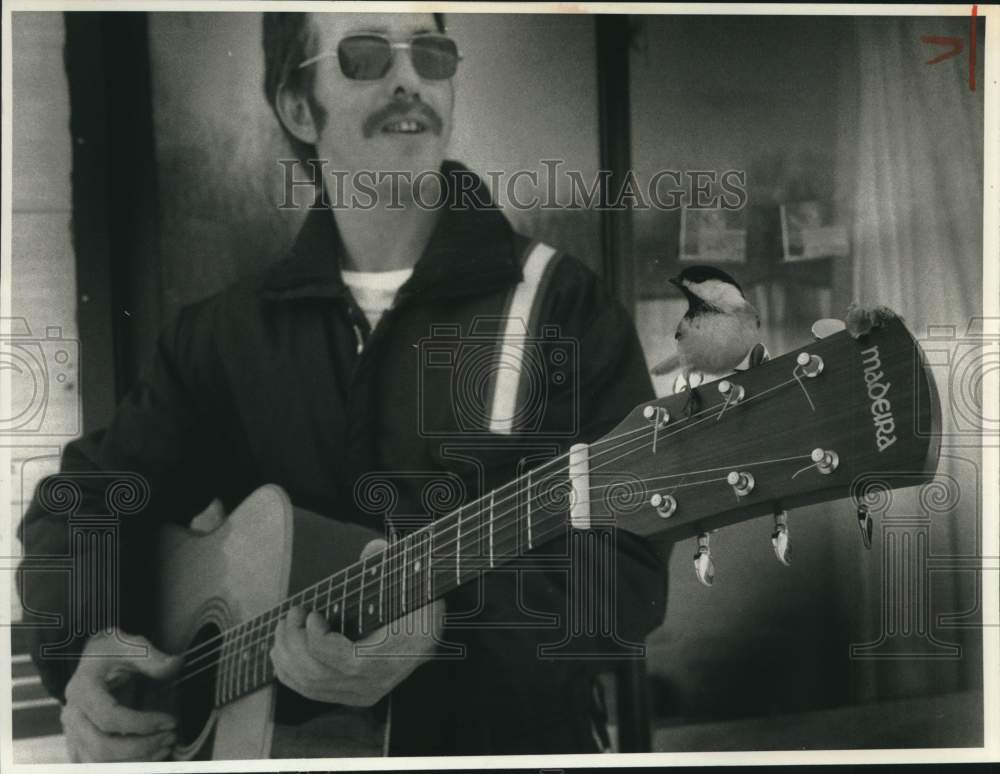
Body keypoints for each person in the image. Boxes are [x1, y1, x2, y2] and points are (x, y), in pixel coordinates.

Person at [17, 11, 667, 761]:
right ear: (298, 107)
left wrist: (442, 635)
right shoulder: (224, 337)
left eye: (431, 54)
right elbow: (83, 501)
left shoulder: (563, 305)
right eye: (363, 56)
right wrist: (87, 646)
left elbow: (628, 564)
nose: (408, 80)